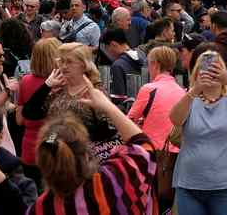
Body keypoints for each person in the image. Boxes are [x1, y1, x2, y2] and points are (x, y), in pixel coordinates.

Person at [30, 78, 157, 215]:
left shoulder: (41, 208)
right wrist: (108, 107)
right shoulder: (111, 182)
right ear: (86, 153)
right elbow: (144, 147)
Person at [169, 49, 227, 215]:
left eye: (215, 68)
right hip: (189, 186)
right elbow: (175, 119)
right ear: (196, 73)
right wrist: (195, 89)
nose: (210, 73)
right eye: (205, 68)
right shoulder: (189, 99)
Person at [22, 42, 120, 162]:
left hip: (85, 160)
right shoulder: (58, 91)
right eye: (61, 61)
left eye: (69, 62)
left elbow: (110, 129)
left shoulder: (94, 91)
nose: (63, 66)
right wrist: (46, 86)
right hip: (55, 157)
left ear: (84, 65)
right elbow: (29, 113)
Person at [15, 38, 59, 186]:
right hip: (53, 145)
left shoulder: (25, 81)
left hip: (29, 147)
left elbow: (19, 120)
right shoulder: (61, 83)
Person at [127, 45, 184, 150]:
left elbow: (129, 121)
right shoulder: (182, 92)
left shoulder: (149, 89)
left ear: (155, 64)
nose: (148, 69)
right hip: (176, 152)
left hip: (152, 150)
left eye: (148, 64)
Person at [102, 26, 143, 97]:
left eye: (106, 48)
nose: (108, 52)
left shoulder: (117, 65)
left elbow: (119, 96)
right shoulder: (141, 54)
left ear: (113, 44)